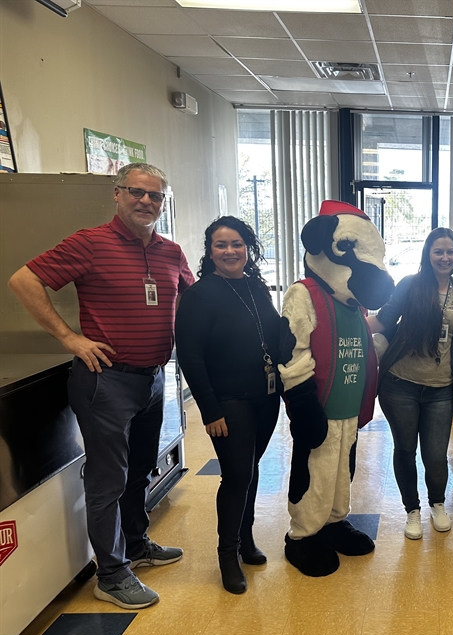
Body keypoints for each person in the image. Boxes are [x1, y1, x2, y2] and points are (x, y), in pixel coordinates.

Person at [7, 163, 193, 610]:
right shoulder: (90, 243)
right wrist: (71, 338)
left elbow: (191, 299)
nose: (146, 201)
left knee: (140, 469)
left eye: (155, 196)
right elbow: (23, 280)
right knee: (108, 479)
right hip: (105, 381)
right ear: (117, 194)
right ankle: (110, 574)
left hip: (153, 379)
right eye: (137, 192)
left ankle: (135, 544)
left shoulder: (171, 252)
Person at [175, 217, 281, 594]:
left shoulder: (256, 287)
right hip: (228, 401)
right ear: (210, 251)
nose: (230, 251)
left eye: (237, 244)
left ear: (247, 248)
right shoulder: (199, 295)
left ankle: (246, 539)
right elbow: (190, 356)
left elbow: (275, 336)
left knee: (250, 469)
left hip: (266, 397)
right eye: (221, 245)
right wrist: (210, 409)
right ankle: (227, 554)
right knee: (236, 475)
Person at [368, 228, 453, 540]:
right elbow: (383, 320)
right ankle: (412, 509)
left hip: (441, 388)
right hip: (401, 385)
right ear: (428, 254)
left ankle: (437, 503)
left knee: (436, 455)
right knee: (405, 449)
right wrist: (344, 324)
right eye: (438, 251)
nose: (444, 257)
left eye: (450, 251)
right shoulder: (410, 285)